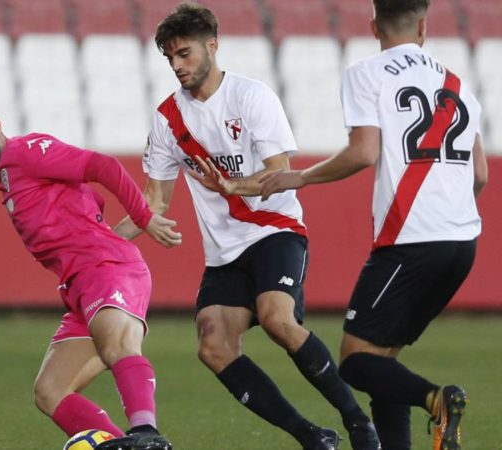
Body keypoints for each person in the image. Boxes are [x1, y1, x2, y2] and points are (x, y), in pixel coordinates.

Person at [114, 3, 379, 450]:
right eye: (169, 58)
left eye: (184, 54)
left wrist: (233, 186)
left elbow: (279, 172)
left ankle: (358, 423)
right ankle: (312, 436)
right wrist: (97, 241)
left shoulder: (251, 97)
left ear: (212, 46)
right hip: (225, 253)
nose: (177, 66)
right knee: (213, 347)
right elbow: (154, 200)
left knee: (278, 319)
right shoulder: (167, 119)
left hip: (274, 230)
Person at [260, 1, 487, 449]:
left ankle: (437, 399)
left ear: (374, 27)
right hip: (463, 242)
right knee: (385, 360)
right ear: (423, 26)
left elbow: (364, 151)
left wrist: (300, 176)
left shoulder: (367, 72)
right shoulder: (458, 83)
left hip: (411, 239)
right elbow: (479, 174)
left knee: (356, 362)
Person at [0, 94, 180, 450]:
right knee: (50, 391)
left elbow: (104, 166)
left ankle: (147, 434)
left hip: (106, 269)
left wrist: (143, 217)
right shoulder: (7, 176)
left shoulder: (27, 151)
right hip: (80, 285)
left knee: (117, 344)